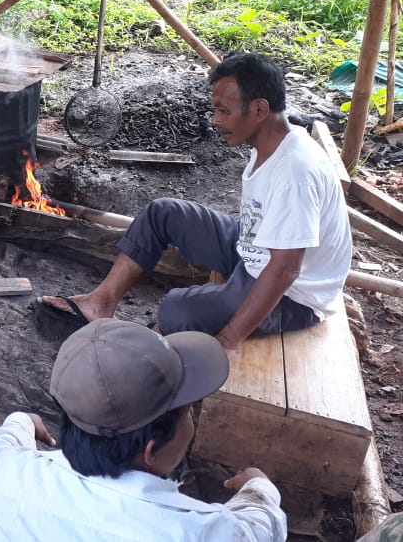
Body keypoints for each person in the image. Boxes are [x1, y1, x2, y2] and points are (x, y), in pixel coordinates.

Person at [44, 52, 351, 352]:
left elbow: (285, 271)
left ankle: (161, 348)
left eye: (223, 110)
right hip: (257, 252)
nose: (215, 120)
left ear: (259, 110)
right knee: (162, 213)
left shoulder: (295, 171)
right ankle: (100, 303)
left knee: (176, 311)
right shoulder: (274, 141)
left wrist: (227, 340)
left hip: (293, 297)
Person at [0, 318, 288, 541]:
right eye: (187, 411)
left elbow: (0, 441)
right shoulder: (198, 532)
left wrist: (21, 420)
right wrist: (260, 489)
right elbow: (264, 527)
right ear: (151, 450)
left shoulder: (8, 472)